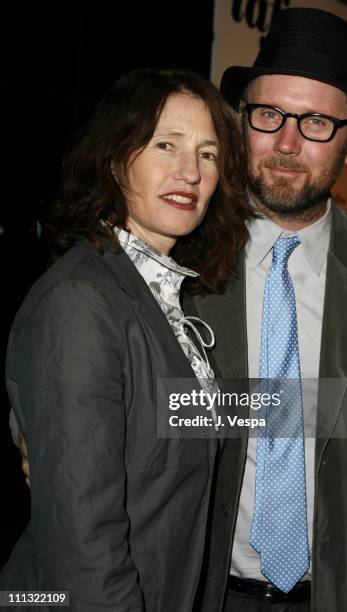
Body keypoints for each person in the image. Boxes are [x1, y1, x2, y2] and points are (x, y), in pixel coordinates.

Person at [0, 68, 252, 611]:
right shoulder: (81, 299)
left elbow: (184, 420)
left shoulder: (166, 295)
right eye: (167, 144)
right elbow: (83, 549)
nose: (190, 171)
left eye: (208, 155)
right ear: (116, 159)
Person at [186, 8, 347, 612]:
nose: (286, 144)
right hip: (198, 593)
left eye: (315, 122)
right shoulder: (181, 254)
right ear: (240, 120)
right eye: (269, 115)